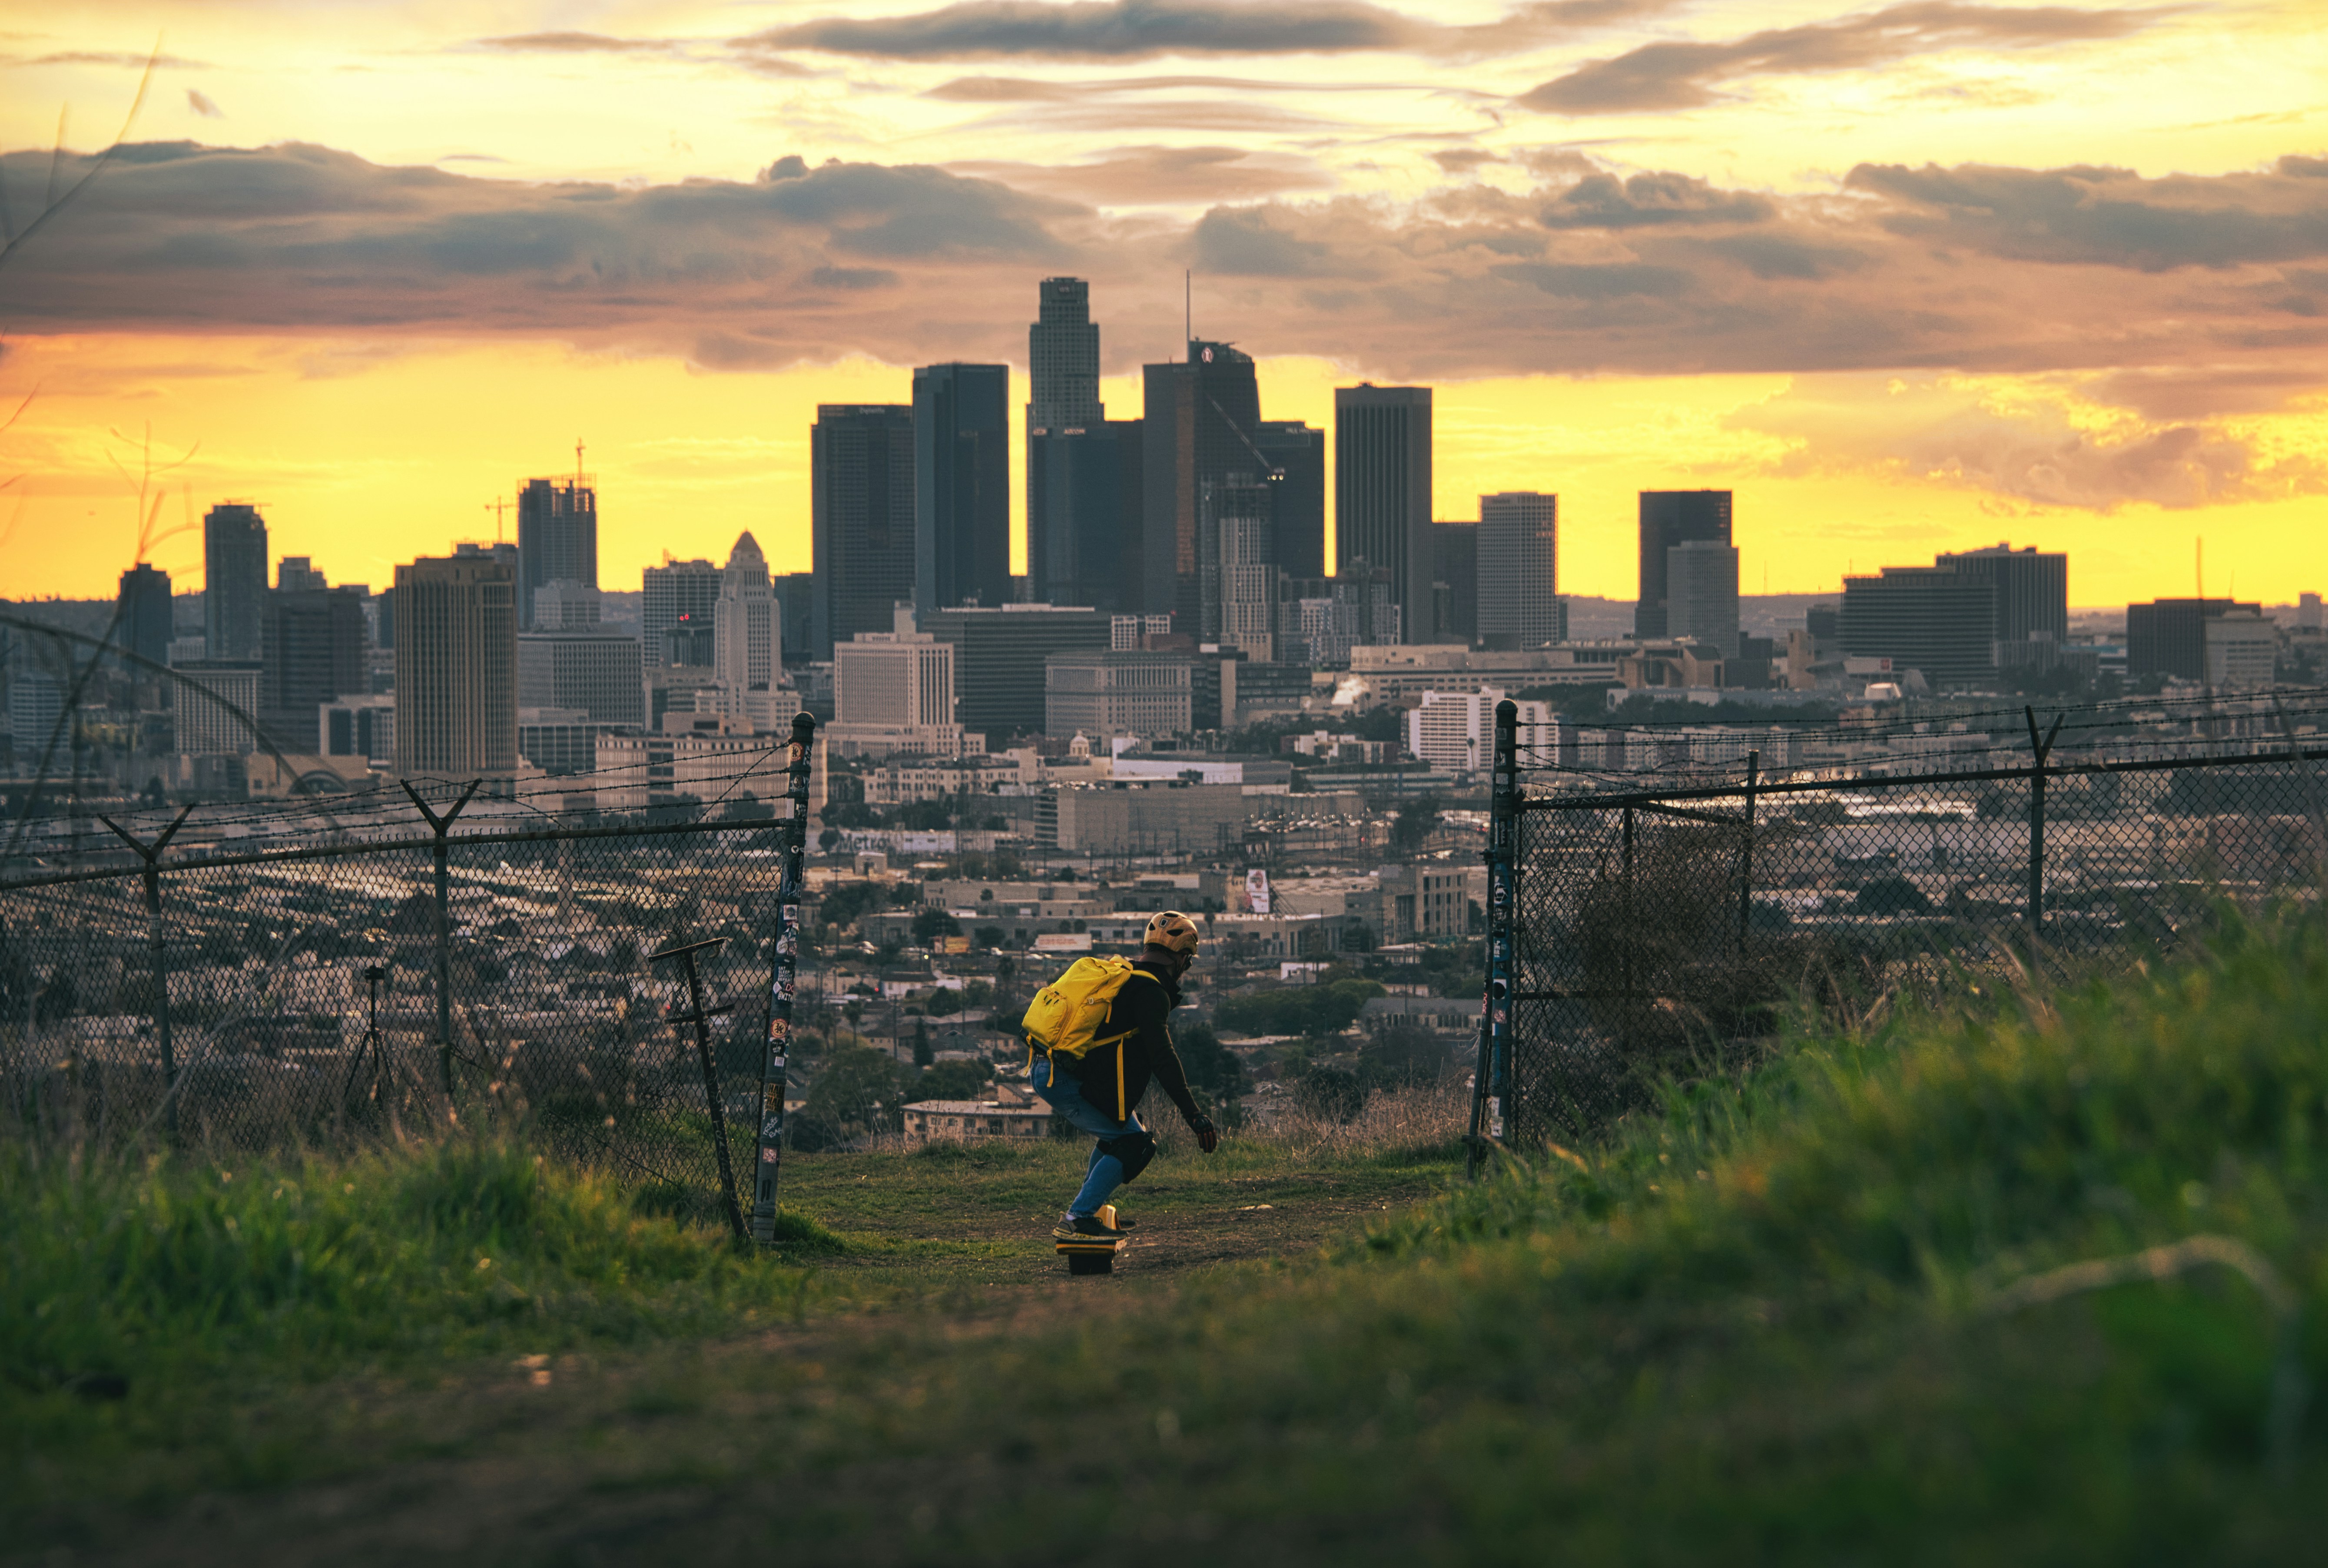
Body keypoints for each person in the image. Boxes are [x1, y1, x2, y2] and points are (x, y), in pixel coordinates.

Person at [1034, 910, 1220, 1240]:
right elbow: (1162, 1057)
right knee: (1136, 1145)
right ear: (1179, 957)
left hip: (1051, 1065)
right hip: (1061, 1077)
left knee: (1122, 1134)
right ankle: (1079, 1216)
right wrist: (1195, 1115)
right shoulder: (1151, 992)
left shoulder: (1128, 974)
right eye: (1188, 960)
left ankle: (1090, 1208)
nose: (1187, 968)